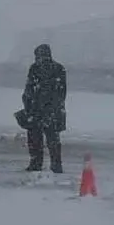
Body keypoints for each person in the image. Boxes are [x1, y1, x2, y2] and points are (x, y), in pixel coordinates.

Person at [22, 43, 67, 173]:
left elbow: (29, 89)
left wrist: (28, 106)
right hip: (52, 110)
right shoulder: (59, 68)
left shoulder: (35, 68)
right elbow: (62, 92)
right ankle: (56, 164)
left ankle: (36, 163)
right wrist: (55, 107)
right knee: (53, 139)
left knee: (35, 139)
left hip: (37, 109)